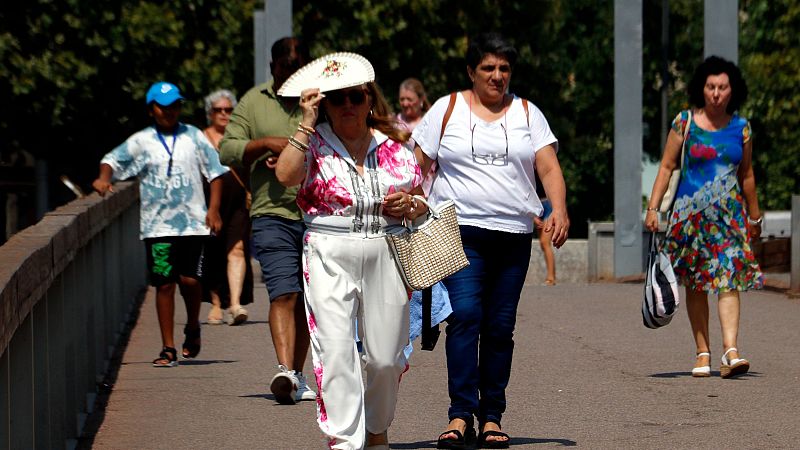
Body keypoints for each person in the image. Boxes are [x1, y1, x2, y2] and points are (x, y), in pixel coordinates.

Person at [411, 32, 569, 449]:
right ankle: (461, 414)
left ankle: (492, 416)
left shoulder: (527, 113)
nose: (497, 76)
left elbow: (548, 167)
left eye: (504, 68)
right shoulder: (447, 109)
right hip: (458, 230)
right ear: (471, 71)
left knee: (499, 327)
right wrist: (406, 203)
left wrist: (558, 208)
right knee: (465, 315)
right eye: (488, 68)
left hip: (513, 236)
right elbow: (415, 164)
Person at [274, 52, 423, 450]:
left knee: (386, 358)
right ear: (324, 104)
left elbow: (421, 202)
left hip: (386, 249)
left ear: (369, 99)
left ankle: (376, 428)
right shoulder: (313, 143)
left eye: (355, 96)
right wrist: (305, 122)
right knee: (336, 351)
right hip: (329, 249)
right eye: (336, 99)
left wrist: (409, 203)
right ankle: (344, 441)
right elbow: (285, 175)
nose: (347, 106)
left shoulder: (395, 147)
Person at [92, 81, 227, 367]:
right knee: (164, 284)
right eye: (163, 107)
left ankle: (193, 326)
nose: (170, 111)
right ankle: (168, 348)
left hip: (192, 224)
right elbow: (112, 160)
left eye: (175, 105)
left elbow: (216, 173)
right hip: (157, 227)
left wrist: (214, 209)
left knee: (190, 280)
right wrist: (104, 178)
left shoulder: (193, 136)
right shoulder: (142, 140)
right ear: (151, 109)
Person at [645, 55, 763, 379]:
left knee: (729, 279)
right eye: (711, 87)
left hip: (730, 217)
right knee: (696, 283)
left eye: (722, 87)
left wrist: (754, 217)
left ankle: (731, 351)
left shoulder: (741, 128)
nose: (716, 93)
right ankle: (703, 352)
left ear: (732, 90)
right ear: (702, 88)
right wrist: (653, 209)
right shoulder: (684, 122)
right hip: (690, 217)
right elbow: (666, 166)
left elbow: (747, 174)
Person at [218, 37, 316, 404]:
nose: (292, 74)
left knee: (309, 300)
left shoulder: (321, 102)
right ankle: (284, 370)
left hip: (317, 214)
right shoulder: (253, 101)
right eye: (286, 67)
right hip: (271, 213)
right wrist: (265, 145)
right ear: (273, 67)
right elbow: (227, 149)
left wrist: (293, 156)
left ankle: (298, 376)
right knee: (284, 291)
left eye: (299, 67)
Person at [201, 89, 253, 326]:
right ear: (210, 113)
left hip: (238, 200)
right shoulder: (201, 138)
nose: (223, 114)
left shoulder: (240, 137)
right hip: (207, 202)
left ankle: (234, 303)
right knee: (212, 251)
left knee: (238, 249)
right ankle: (215, 303)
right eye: (218, 110)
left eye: (228, 109)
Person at [537, 197, 556, 286]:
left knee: (545, 242)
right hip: (536, 204)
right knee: (542, 244)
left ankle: (551, 277)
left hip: (548, 204)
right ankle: (550, 275)